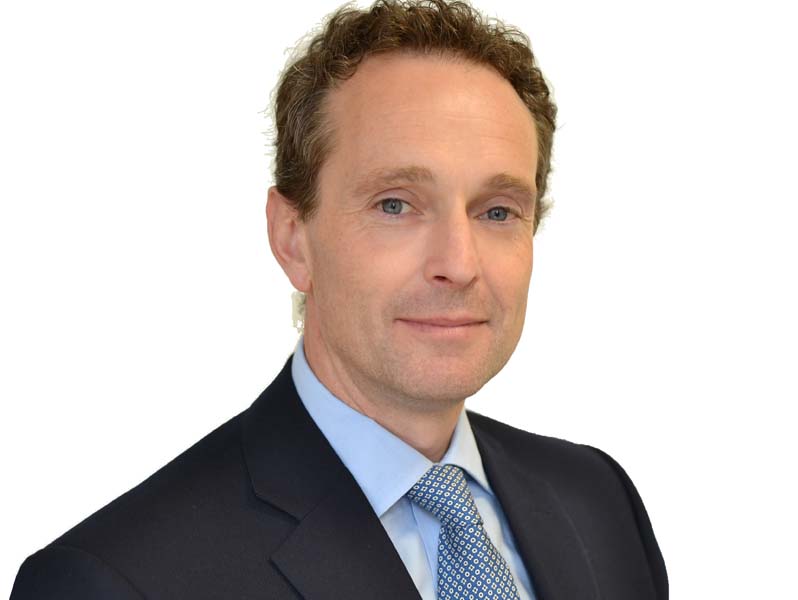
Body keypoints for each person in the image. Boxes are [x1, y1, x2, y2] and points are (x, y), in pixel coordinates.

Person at [11, 1, 667, 598]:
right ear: (292, 238)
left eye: (497, 211)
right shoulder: (112, 580)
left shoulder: (598, 503)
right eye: (395, 204)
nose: (459, 265)